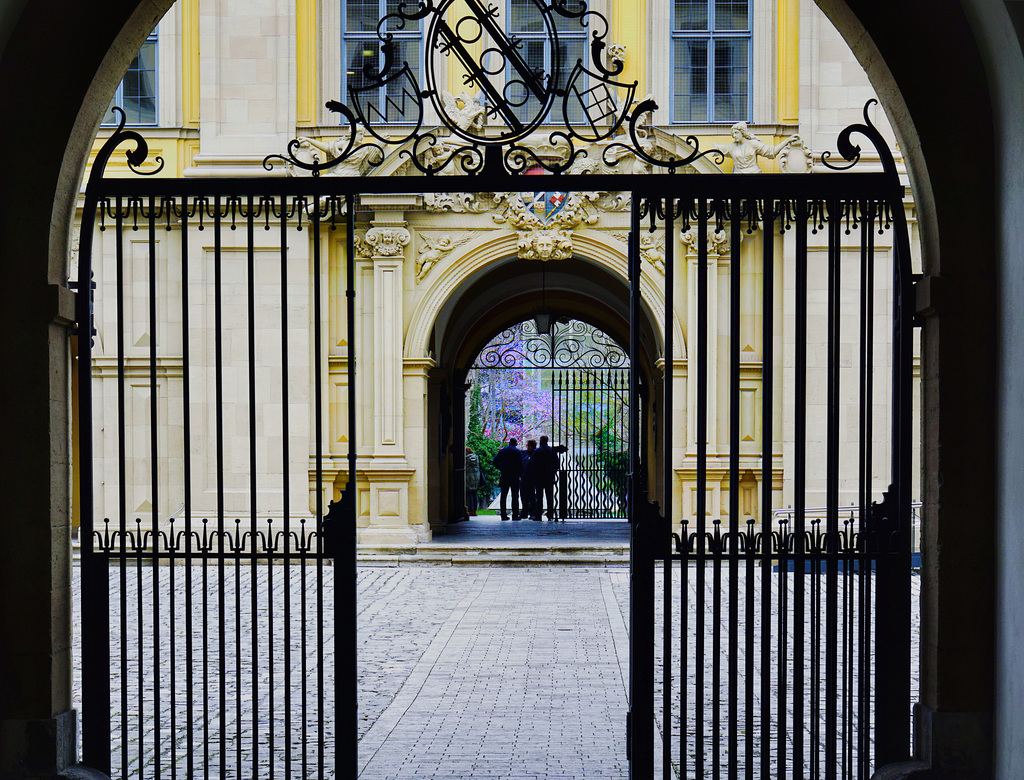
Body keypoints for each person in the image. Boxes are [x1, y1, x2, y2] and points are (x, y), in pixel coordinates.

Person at [716, 121, 800, 174]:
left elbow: (772, 152)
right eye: (733, 134)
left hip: (754, 175)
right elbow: (716, 149)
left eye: (736, 133)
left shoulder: (753, 144)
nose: (734, 136)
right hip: (739, 178)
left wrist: (787, 140)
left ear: (742, 132)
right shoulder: (732, 147)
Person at [492, 438, 523, 520]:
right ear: (516, 443)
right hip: (514, 476)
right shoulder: (517, 452)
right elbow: (521, 464)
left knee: (503, 496)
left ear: (509, 443)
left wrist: (501, 468)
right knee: (515, 496)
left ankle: (503, 514)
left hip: (505, 475)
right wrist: (519, 473)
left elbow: (494, 461)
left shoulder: (502, 451)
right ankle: (515, 515)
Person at [531, 435, 561, 521]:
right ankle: (550, 514)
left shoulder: (537, 451)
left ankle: (538, 515)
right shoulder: (552, 450)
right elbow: (556, 463)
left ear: (540, 440)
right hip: (549, 476)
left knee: (539, 496)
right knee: (549, 496)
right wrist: (553, 472)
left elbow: (533, 463)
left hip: (539, 476)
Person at [519, 439, 537, 520]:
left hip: (531, 478)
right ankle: (525, 511)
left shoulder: (534, 454)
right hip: (524, 477)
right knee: (524, 495)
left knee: (531, 496)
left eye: (528, 445)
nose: (527, 447)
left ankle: (532, 512)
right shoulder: (524, 453)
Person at [465, 446, 482, 517]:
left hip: (469, 478)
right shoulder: (476, 458)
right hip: (476, 478)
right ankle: (475, 510)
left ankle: (470, 510)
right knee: (475, 494)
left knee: (469, 495)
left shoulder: (466, 459)